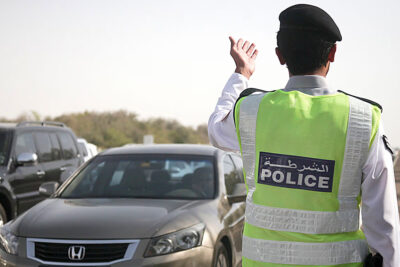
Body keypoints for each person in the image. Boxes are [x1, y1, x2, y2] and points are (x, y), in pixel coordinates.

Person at [208, 4, 399, 267]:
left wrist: (241, 74)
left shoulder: (251, 111)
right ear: (332, 53)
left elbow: (216, 130)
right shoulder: (364, 119)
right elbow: (384, 224)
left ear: (280, 56)